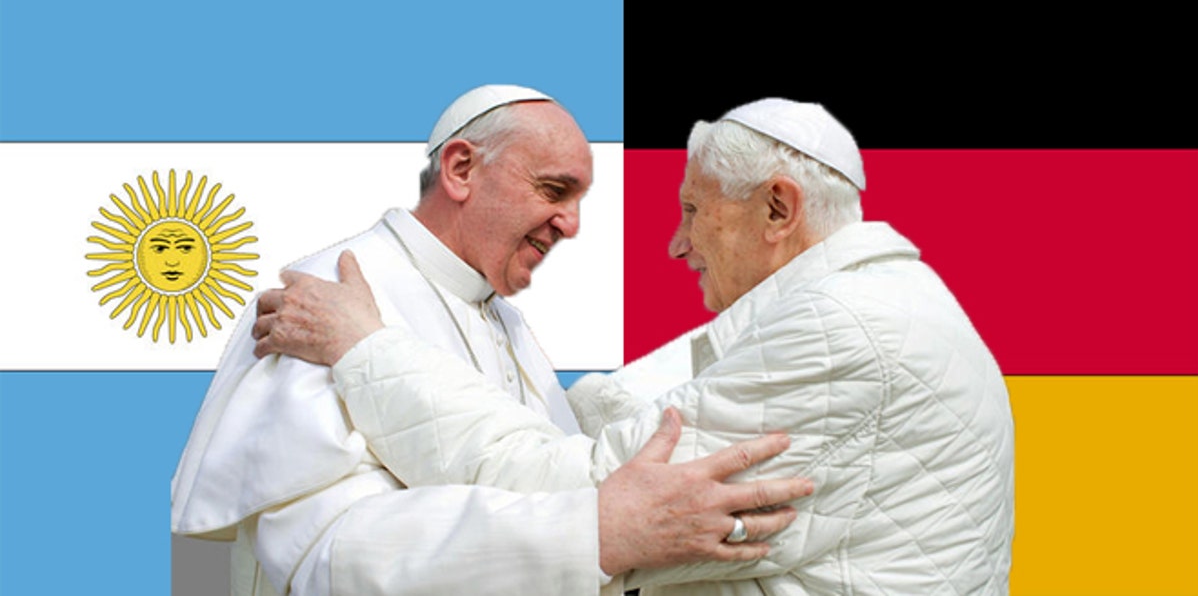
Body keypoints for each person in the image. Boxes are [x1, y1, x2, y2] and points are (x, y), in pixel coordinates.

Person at [254, 98, 1017, 594]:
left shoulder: (849, 329)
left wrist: (365, 349)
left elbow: (581, 492)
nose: (679, 242)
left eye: (694, 209)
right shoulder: (878, 304)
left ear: (777, 208)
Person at [170, 85, 815, 596]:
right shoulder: (325, 298)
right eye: (554, 190)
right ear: (460, 168)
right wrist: (595, 535)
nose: (571, 223)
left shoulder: (501, 316)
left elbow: (535, 466)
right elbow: (325, 563)